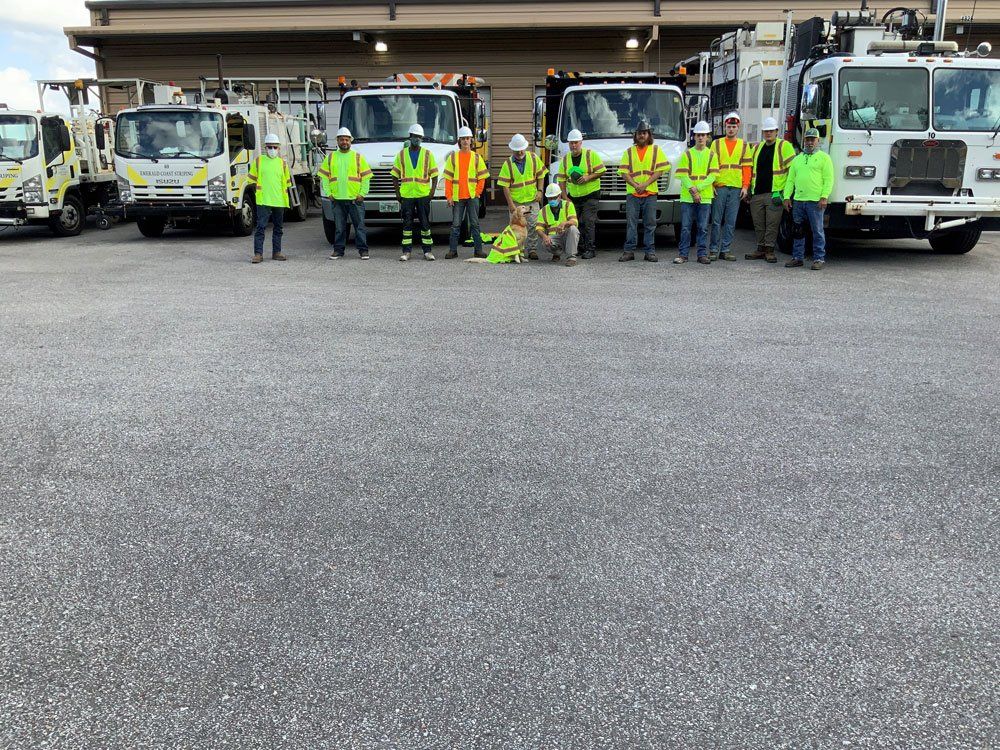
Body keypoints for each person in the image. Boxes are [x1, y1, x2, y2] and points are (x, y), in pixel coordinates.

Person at [783, 127, 834, 270]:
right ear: (804, 141)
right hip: (799, 200)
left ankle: (819, 258)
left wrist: (824, 196)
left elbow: (828, 179)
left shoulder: (824, 158)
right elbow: (790, 180)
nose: (810, 142)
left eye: (813, 140)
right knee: (798, 230)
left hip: (815, 201)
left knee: (817, 231)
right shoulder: (797, 159)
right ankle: (797, 257)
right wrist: (787, 197)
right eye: (807, 140)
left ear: (818, 141)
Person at [618, 121, 669, 262]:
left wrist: (645, 184)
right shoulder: (629, 152)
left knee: (650, 224)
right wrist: (636, 185)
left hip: (650, 193)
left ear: (649, 135)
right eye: (640, 133)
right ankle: (629, 251)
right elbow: (623, 172)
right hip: (633, 193)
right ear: (636, 135)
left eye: (644, 133)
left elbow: (660, 170)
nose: (642, 135)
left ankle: (649, 252)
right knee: (631, 224)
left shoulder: (656, 150)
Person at [317, 126, 372, 259]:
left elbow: (366, 177)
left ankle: (363, 250)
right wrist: (328, 193)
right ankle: (338, 250)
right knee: (339, 228)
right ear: (337, 141)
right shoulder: (331, 157)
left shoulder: (357, 157)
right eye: (342, 139)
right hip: (337, 199)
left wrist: (362, 194)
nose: (344, 142)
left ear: (350, 141)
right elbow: (324, 177)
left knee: (359, 227)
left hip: (355, 199)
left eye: (346, 139)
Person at [746, 117, 796, 263]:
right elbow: (750, 169)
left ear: (776, 131)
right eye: (766, 131)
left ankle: (769, 250)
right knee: (758, 224)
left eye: (771, 131)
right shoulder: (756, 148)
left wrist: (786, 193)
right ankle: (760, 248)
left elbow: (792, 171)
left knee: (772, 224)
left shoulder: (784, 146)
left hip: (775, 193)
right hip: (757, 193)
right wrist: (748, 189)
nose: (768, 133)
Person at [708, 112, 752, 262]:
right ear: (725, 127)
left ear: (738, 128)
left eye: (734, 126)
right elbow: (710, 165)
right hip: (719, 186)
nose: (731, 129)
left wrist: (745, 186)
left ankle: (725, 250)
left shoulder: (743, 145)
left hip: (736, 188)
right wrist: (711, 184)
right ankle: (713, 250)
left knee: (731, 221)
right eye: (729, 126)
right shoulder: (716, 144)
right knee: (716, 220)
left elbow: (747, 167)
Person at [391, 123, 439, 261]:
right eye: (415, 136)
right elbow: (394, 175)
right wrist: (397, 193)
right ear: (410, 137)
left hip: (423, 194)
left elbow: (435, 175)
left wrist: (432, 192)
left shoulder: (428, 154)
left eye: (419, 137)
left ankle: (427, 251)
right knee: (407, 224)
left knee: (425, 224)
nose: (417, 139)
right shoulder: (401, 154)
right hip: (407, 195)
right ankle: (406, 252)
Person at [673, 120, 719, 264]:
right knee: (686, 228)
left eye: (703, 135)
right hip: (688, 196)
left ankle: (701, 255)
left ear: (707, 137)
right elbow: (682, 174)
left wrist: (697, 188)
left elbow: (713, 176)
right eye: (698, 135)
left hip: (704, 196)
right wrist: (693, 190)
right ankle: (683, 255)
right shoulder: (687, 154)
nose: (700, 137)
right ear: (694, 136)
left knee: (703, 228)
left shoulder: (712, 155)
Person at [556, 128, 605, 259]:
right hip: (574, 197)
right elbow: (561, 179)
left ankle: (590, 249)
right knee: (574, 222)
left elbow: (602, 170)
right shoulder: (565, 159)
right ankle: (579, 247)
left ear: (581, 142)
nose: (573, 145)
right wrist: (565, 197)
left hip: (590, 195)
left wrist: (588, 177)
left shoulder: (590, 155)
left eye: (576, 143)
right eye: (571, 143)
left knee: (588, 222)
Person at [497, 133, 547, 260]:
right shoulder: (508, 164)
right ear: (512, 149)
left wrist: (540, 191)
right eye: (517, 150)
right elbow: (505, 186)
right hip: (517, 202)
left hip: (532, 200)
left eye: (522, 149)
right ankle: (517, 251)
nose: (520, 152)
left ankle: (532, 250)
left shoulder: (533, 158)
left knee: (533, 225)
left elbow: (541, 175)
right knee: (516, 228)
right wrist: (511, 204)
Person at [443, 125, 490, 259]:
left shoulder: (477, 157)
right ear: (459, 140)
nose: (465, 141)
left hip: (472, 196)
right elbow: (448, 179)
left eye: (467, 138)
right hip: (457, 197)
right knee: (456, 225)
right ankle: (453, 251)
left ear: (471, 140)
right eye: (463, 138)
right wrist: (449, 196)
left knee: (475, 224)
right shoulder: (453, 157)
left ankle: (478, 251)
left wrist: (477, 192)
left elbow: (482, 178)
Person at [248, 132, 292, 264]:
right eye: (269, 147)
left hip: (279, 200)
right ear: (265, 148)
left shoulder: (282, 163)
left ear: (279, 148)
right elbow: (251, 180)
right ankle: (258, 254)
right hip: (263, 200)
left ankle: (276, 252)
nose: (272, 149)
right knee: (260, 228)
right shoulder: (259, 161)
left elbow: (287, 183)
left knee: (278, 228)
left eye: (275, 147)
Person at [536, 182, 580, 266]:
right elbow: (538, 228)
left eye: (554, 197)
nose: (552, 200)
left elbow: (574, 221)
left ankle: (571, 258)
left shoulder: (568, 205)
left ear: (559, 196)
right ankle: (557, 253)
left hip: (566, 235)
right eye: (550, 198)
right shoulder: (543, 210)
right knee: (545, 243)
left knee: (573, 229)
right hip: (554, 238)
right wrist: (544, 236)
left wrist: (565, 223)